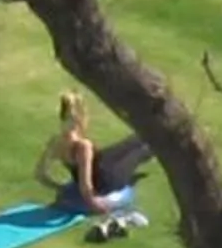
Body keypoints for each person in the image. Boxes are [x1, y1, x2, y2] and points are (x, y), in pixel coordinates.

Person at [36, 90, 153, 221]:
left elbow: (40, 175)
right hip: (107, 180)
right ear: (80, 119)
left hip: (102, 164)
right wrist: (96, 205)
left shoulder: (55, 141)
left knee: (132, 142)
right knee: (141, 152)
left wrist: (60, 187)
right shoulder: (83, 146)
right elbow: (86, 187)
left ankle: (154, 127)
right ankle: (166, 136)